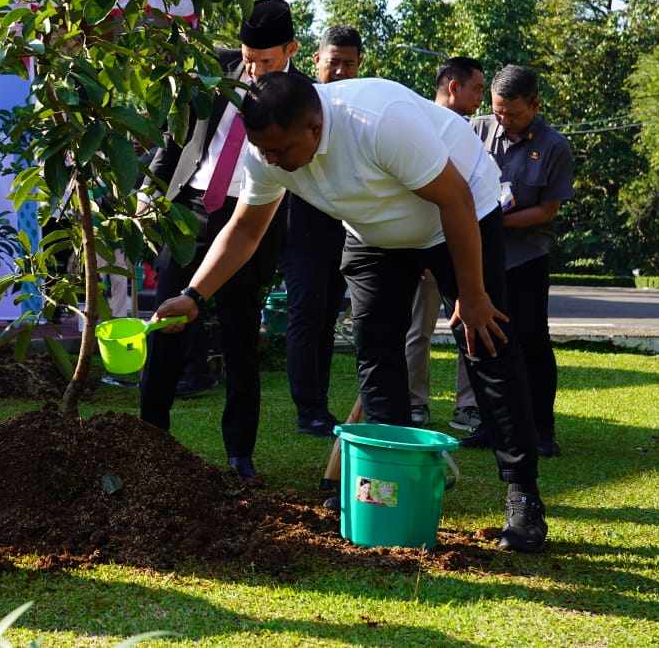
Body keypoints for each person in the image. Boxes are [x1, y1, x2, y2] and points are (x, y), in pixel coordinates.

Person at [153, 71, 548, 553]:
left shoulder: (378, 120)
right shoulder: (267, 149)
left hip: (457, 216)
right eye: (262, 149)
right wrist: (193, 295)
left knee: (486, 345)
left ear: (315, 129)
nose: (267, 159)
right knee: (376, 356)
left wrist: (473, 292)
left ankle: (522, 494)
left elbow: (455, 197)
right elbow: (245, 230)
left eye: (277, 150)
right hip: (373, 234)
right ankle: (387, 489)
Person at [141, 0, 301, 484]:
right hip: (191, 209)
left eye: (266, 61)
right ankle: (150, 443)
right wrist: (152, 186)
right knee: (165, 324)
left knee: (238, 339)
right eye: (249, 58)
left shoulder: (302, 95)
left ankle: (239, 454)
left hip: (251, 219)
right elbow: (178, 135)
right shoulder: (215, 68)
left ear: (291, 50)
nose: (253, 69)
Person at [471, 65, 573, 458]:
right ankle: (490, 424)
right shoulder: (476, 131)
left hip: (525, 259)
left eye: (512, 113)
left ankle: (541, 429)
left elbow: (547, 209)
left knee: (531, 343)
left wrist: (497, 223)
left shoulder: (553, 146)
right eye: (498, 111)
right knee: (484, 344)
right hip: (480, 257)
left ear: (534, 105)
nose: (504, 120)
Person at [282, 25, 357, 437]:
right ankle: (307, 409)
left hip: (345, 234)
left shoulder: (360, 108)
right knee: (306, 318)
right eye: (334, 62)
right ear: (316, 60)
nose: (342, 71)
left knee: (327, 320)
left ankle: (319, 405)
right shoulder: (297, 100)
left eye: (349, 63)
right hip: (303, 233)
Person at [404, 57, 486, 429]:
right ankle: (414, 403)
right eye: (477, 88)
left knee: (468, 324)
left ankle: (468, 406)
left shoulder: (476, 131)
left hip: (462, 249)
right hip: (422, 246)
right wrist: (418, 247)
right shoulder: (417, 125)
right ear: (454, 87)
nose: (481, 98)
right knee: (416, 330)